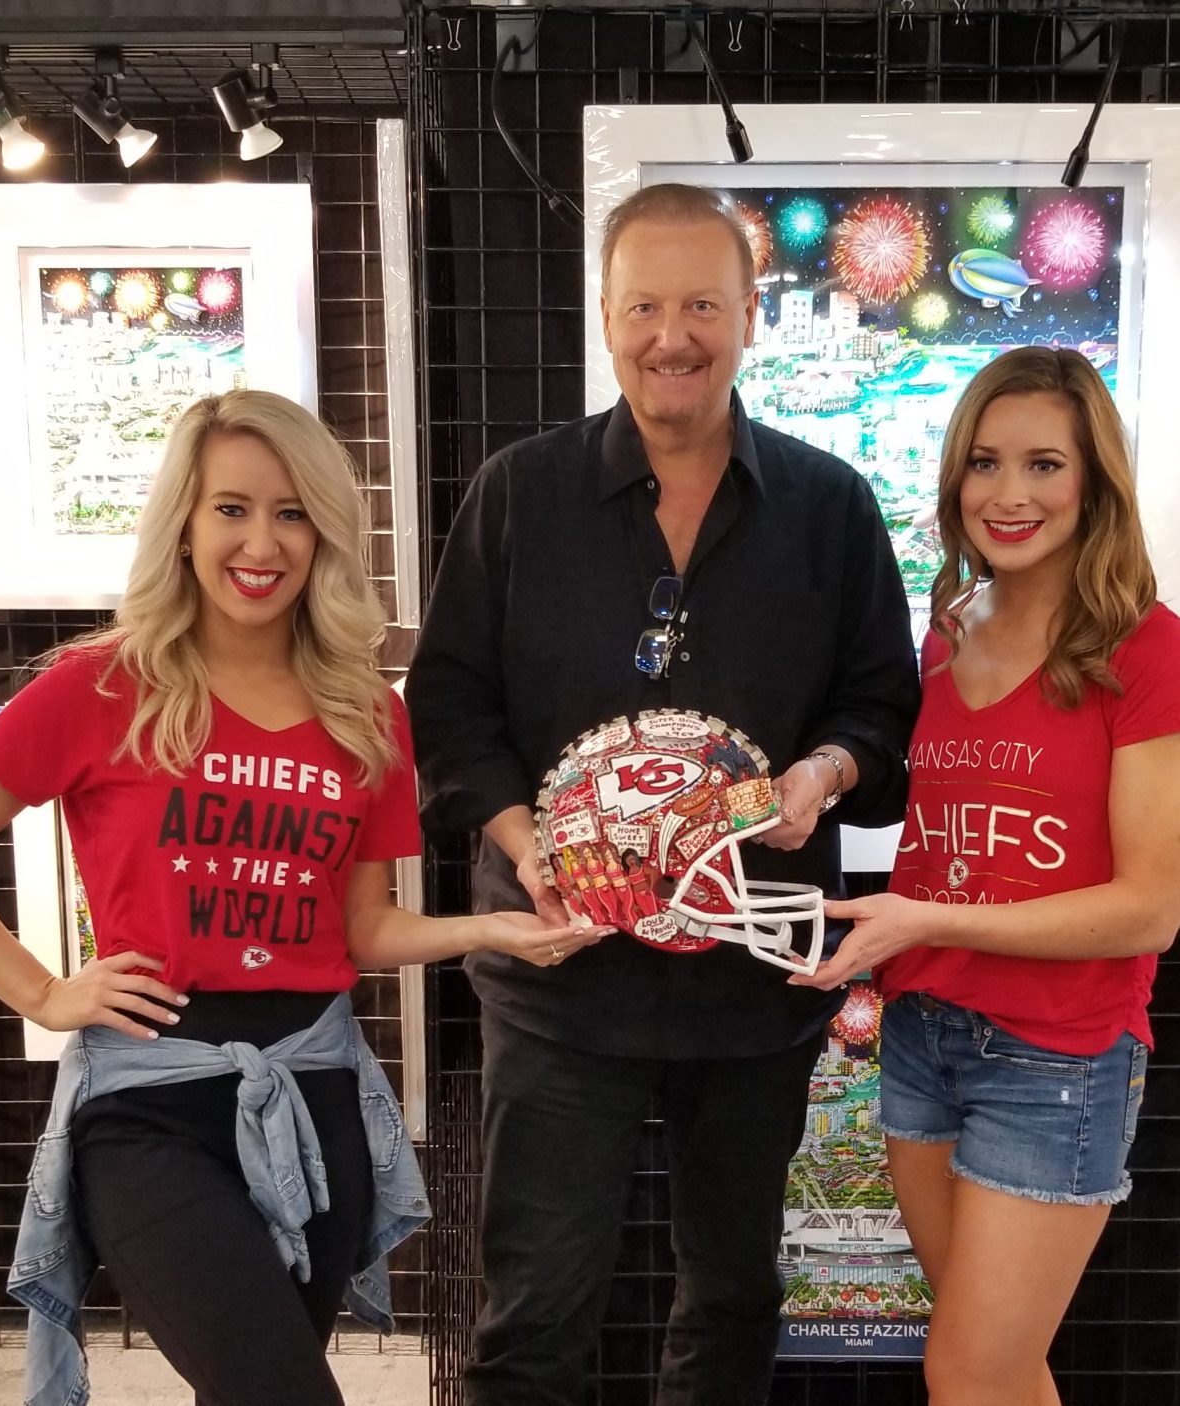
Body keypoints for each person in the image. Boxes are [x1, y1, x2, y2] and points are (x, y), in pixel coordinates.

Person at [0, 390, 586, 1406]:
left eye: (291, 512)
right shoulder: (103, 684)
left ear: (324, 532)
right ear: (185, 524)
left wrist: (494, 927)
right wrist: (42, 992)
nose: (262, 540)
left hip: (315, 1093)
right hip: (149, 1104)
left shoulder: (364, 708)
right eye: (231, 507)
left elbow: (361, 927)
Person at [404, 183, 920, 1406]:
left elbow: (881, 707)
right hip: (560, 975)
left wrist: (822, 772)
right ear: (605, 314)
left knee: (734, 1298)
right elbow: (450, 704)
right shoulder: (519, 495)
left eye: (702, 301)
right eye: (645, 304)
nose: (672, 333)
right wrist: (532, 846)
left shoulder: (830, 506)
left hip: (757, 979)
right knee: (533, 1314)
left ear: (752, 312)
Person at [790, 347, 1180, 1406]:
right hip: (925, 1036)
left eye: (1045, 464)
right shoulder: (946, 636)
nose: (1010, 495)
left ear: (1094, 479)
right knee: (995, 1367)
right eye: (986, 464)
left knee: (968, 1367)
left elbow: (1150, 906)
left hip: (1058, 1056)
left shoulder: (1145, 649)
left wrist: (925, 913)